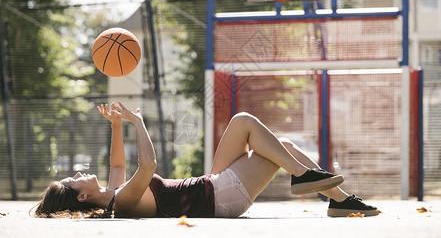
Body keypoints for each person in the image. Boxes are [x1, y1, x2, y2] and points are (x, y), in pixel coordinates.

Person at [33, 102, 379, 218]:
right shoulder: (120, 203)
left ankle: (337, 201)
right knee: (245, 121)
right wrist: (137, 122)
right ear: (80, 196)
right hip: (221, 197)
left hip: (211, 188)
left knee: (280, 144)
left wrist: (115, 126)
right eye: (73, 178)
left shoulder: (113, 192)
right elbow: (148, 167)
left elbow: (118, 165)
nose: (78, 172)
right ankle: (305, 178)